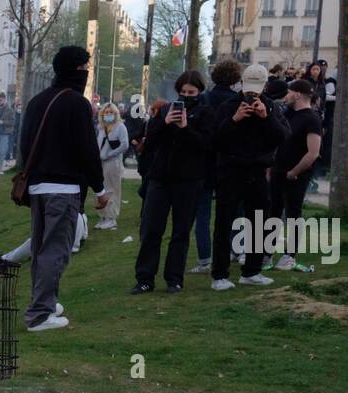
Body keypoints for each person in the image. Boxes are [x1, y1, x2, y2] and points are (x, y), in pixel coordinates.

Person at [11, 45, 108, 331]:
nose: (86, 74)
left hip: (38, 188)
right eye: (84, 69)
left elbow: (25, 144)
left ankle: (45, 301)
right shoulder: (76, 104)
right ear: (76, 70)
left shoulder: (37, 101)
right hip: (63, 189)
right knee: (56, 251)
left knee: (41, 248)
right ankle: (40, 314)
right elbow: (87, 151)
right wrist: (100, 189)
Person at [131, 71, 212, 293]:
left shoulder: (205, 113)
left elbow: (205, 144)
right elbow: (151, 141)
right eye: (183, 92)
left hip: (189, 179)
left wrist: (186, 129)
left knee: (181, 231)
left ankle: (174, 278)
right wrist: (164, 123)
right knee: (151, 229)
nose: (186, 96)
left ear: (199, 92)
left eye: (191, 93)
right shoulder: (166, 110)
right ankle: (145, 278)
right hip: (160, 177)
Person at [209, 64, 288, 289]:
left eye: (257, 88)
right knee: (224, 223)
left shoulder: (271, 107)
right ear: (241, 84)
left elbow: (283, 137)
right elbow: (215, 140)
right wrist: (234, 120)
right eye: (248, 87)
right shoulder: (227, 106)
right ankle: (220, 275)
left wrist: (266, 118)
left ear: (264, 86)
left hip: (258, 172)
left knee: (259, 223)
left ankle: (252, 271)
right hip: (230, 170)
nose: (252, 93)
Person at [191, 60, 244, 274]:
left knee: (202, 214)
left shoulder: (205, 99)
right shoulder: (237, 102)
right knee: (232, 211)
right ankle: (235, 249)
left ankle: (204, 258)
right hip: (229, 163)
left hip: (205, 162)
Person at [268, 79, 322, 269]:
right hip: (278, 170)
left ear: (298, 94)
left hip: (296, 174)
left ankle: (289, 255)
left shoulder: (312, 118)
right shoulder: (286, 114)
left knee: (293, 213)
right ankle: (267, 252)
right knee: (273, 211)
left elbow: (313, 152)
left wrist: (294, 172)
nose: (286, 96)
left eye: (289, 92)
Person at [96, 102, 129, 230]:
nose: (108, 114)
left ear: (116, 114)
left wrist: (110, 154)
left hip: (113, 163)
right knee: (101, 189)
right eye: (106, 112)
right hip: (101, 163)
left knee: (112, 189)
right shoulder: (101, 127)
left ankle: (111, 217)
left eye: (111, 112)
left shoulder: (120, 127)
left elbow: (124, 145)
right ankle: (103, 216)